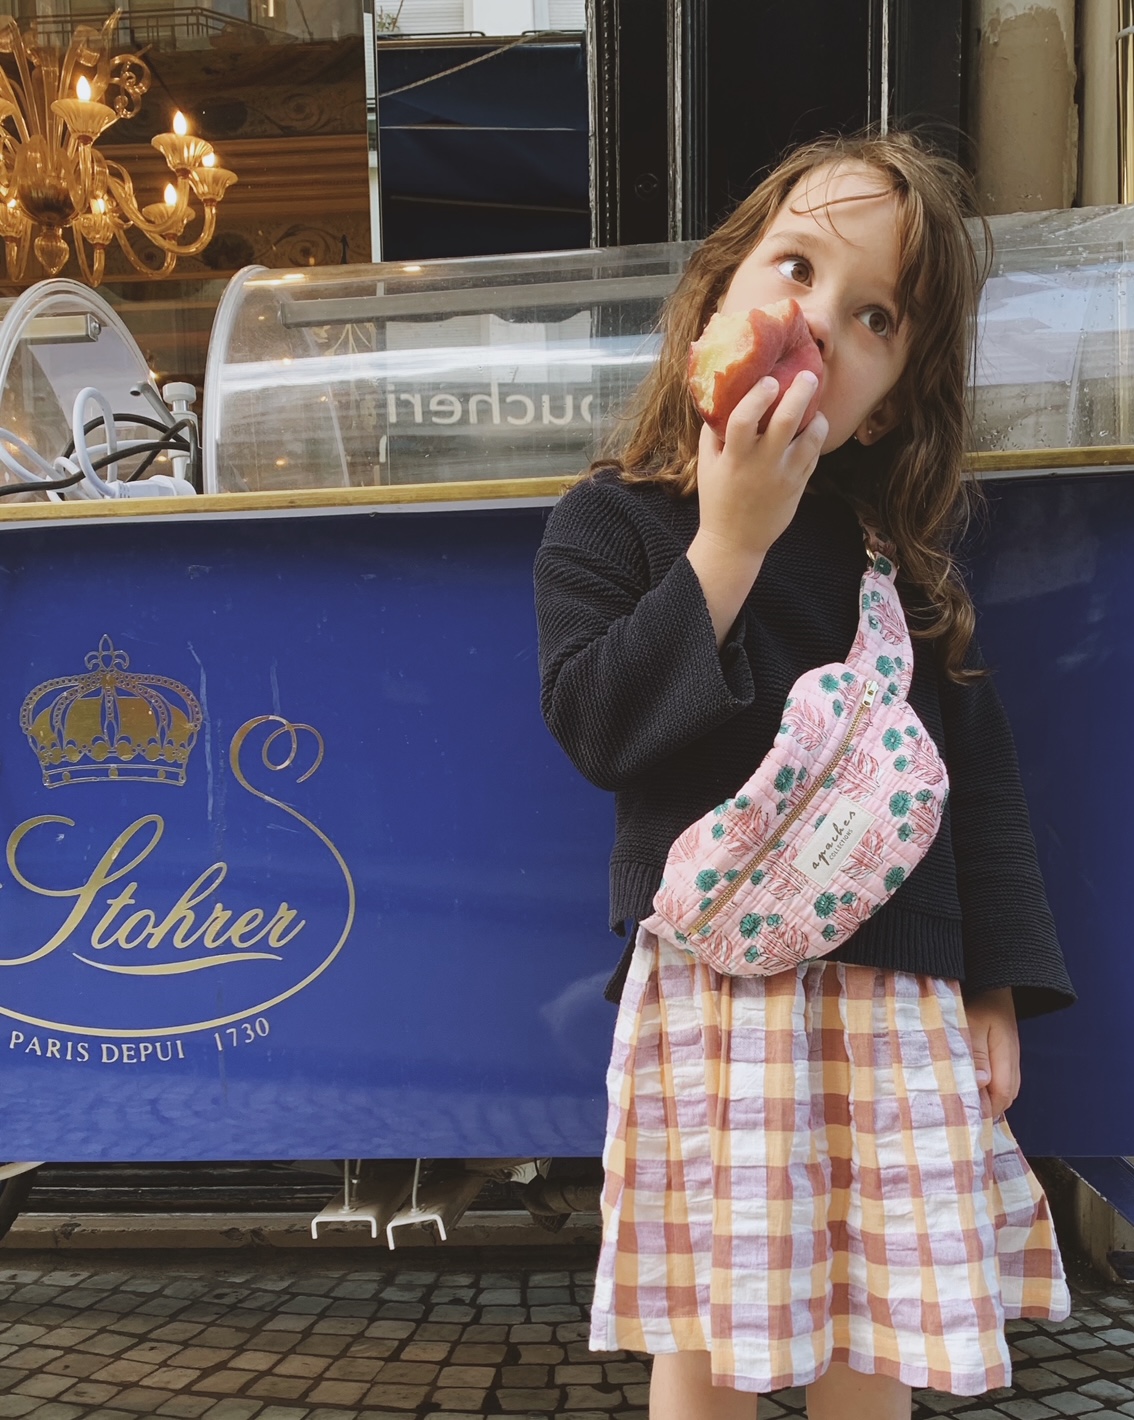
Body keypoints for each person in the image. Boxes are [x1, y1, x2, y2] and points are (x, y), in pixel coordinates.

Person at [533, 130, 1076, 1420]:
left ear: (883, 402)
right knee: (708, 1344)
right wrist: (728, 541)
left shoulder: (896, 562)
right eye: (794, 269)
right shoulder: (610, 524)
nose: (817, 322)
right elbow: (598, 725)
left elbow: (974, 776)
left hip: (891, 999)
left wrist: (995, 985)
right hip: (716, 1005)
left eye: (873, 314)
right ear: (716, 298)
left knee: (867, 1337)